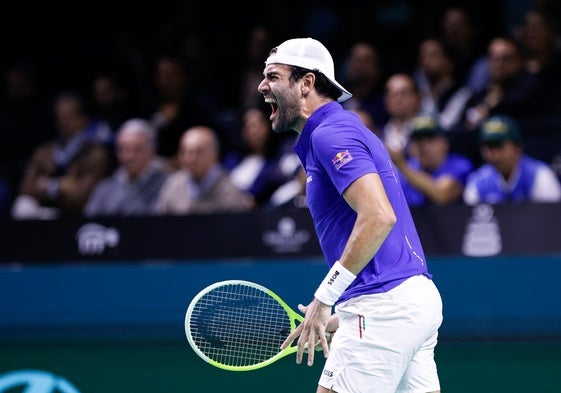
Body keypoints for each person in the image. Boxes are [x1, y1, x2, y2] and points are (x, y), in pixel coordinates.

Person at [258, 37, 443, 393]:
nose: (262, 85)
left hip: (382, 303)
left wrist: (325, 298)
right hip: (410, 300)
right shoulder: (335, 132)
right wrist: (340, 311)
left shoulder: (332, 134)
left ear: (307, 83)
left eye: (273, 76)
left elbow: (378, 216)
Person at [11, 91, 114, 219]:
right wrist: (57, 187)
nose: (63, 122)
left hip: (79, 217)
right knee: (23, 205)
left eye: (69, 116)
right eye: (60, 116)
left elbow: (81, 197)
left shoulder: (96, 153)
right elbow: (25, 188)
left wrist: (44, 184)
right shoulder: (44, 152)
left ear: (84, 119)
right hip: (45, 214)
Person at [155, 125, 255, 215]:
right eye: (185, 152)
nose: (190, 159)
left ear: (215, 155)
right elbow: (160, 225)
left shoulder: (231, 191)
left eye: (198, 152)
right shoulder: (173, 185)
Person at [463, 114, 561, 205]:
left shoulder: (539, 175)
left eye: (497, 145)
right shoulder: (477, 181)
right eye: (486, 147)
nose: (491, 153)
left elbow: (553, 218)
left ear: (517, 148)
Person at [84, 118, 169, 217]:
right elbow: (90, 222)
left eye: (137, 149)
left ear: (151, 152)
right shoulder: (105, 188)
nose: (129, 157)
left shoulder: (166, 186)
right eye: (123, 149)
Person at [388, 114, 474, 206]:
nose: (423, 145)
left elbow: (441, 195)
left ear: (445, 143)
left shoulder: (459, 165)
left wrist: (402, 165)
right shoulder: (406, 171)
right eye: (417, 140)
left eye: (430, 139)